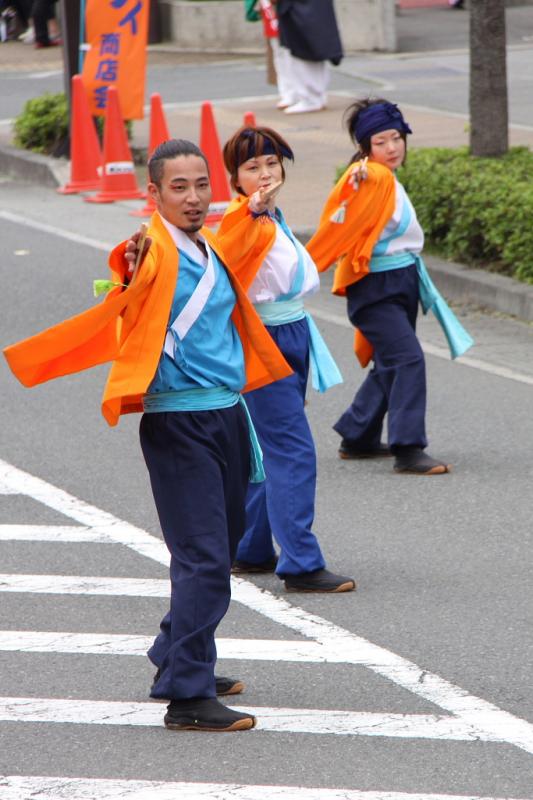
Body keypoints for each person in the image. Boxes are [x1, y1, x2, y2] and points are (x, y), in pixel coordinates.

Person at [3, 138, 293, 732]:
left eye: (201, 185)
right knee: (204, 557)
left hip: (226, 414)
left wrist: (257, 207)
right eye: (178, 188)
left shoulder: (206, 244)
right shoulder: (154, 248)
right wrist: (129, 261)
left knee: (223, 547)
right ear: (153, 193)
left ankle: (174, 655)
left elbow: (241, 241)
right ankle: (188, 696)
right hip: (180, 422)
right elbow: (132, 274)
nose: (193, 197)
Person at [217, 125, 355, 593]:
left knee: (267, 446)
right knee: (292, 450)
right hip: (264, 339)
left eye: (272, 163)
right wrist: (254, 209)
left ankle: (252, 547)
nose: (264, 173)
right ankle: (300, 564)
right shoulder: (241, 217)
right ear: (235, 178)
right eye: (251, 166)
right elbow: (231, 247)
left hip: (292, 332)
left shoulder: (272, 215)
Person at [306, 98, 474, 475]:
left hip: (401, 280)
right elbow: (349, 197)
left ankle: (358, 436)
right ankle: (408, 448)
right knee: (408, 358)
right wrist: (358, 174)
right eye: (380, 141)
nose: (392, 147)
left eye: (397, 138)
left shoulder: (387, 176)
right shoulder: (371, 175)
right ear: (365, 147)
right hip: (375, 288)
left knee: (390, 361)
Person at [276, 0, 343, 114]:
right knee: (310, 48)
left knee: (304, 49)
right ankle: (314, 97)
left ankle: (311, 99)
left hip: (301, 9)